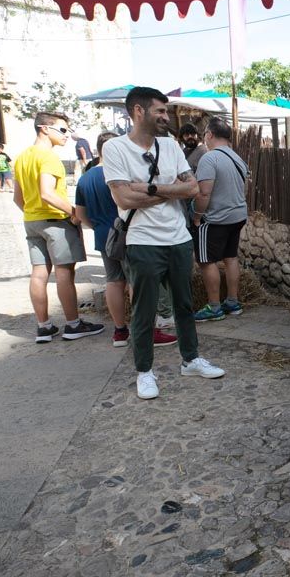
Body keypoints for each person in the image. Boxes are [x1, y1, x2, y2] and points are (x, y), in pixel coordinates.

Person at [103, 86, 225, 400]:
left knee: (184, 305)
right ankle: (144, 371)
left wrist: (151, 188)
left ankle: (190, 359)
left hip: (179, 239)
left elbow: (193, 188)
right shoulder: (116, 149)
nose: (164, 116)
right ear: (138, 111)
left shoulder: (170, 146)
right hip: (142, 242)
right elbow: (124, 197)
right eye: (159, 111)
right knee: (143, 310)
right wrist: (170, 189)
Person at [75, 132, 178, 351]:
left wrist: (98, 228)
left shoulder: (85, 178)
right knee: (136, 284)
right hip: (131, 234)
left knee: (113, 281)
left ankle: (120, 330)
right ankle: (147, 331)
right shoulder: (121, 175)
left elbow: (81, 214)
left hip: (106, 237)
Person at [12, 112, 104, 343]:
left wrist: (32, 213)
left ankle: (43, 326)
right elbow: (47, 193)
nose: (67, 135)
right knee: (64, 273)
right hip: (55, 221)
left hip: (32, 220)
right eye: (62, 130)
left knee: (39, 273)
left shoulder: (22, 157)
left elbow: (17, 198)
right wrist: (75, 213)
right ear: (44, 128)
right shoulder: (49, 157)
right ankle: (73, 324)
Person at [191, 118, 249, 321]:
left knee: (206, 261)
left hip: (215, 219)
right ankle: (233, 302)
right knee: (231, 257)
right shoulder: (237, 158)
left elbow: (204, 193)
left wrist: (197, 216)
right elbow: (245, 189)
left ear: (209, 135)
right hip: (238, 216)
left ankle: (214, 306)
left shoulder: (210, 158)